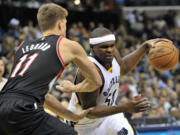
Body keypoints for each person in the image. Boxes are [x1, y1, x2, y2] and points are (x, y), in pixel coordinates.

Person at [0, 3, 102, 135]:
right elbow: (97, 81)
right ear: (60, 24)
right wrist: (74, 88)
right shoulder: (67, 45)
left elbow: (44, 98)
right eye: (65, 24)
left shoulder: (22, 47)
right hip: (25, 108)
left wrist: (73, 116)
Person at [63, 27, 170, 135]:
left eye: (112, 46)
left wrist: (144, 47)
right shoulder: (88, 71)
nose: (109, 50)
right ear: (92, 48)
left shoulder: (112, 53)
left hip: (109, 116)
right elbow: (90, 112)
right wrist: (125, 107)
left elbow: (122, 68)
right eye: (104, 47)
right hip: (84, 126)